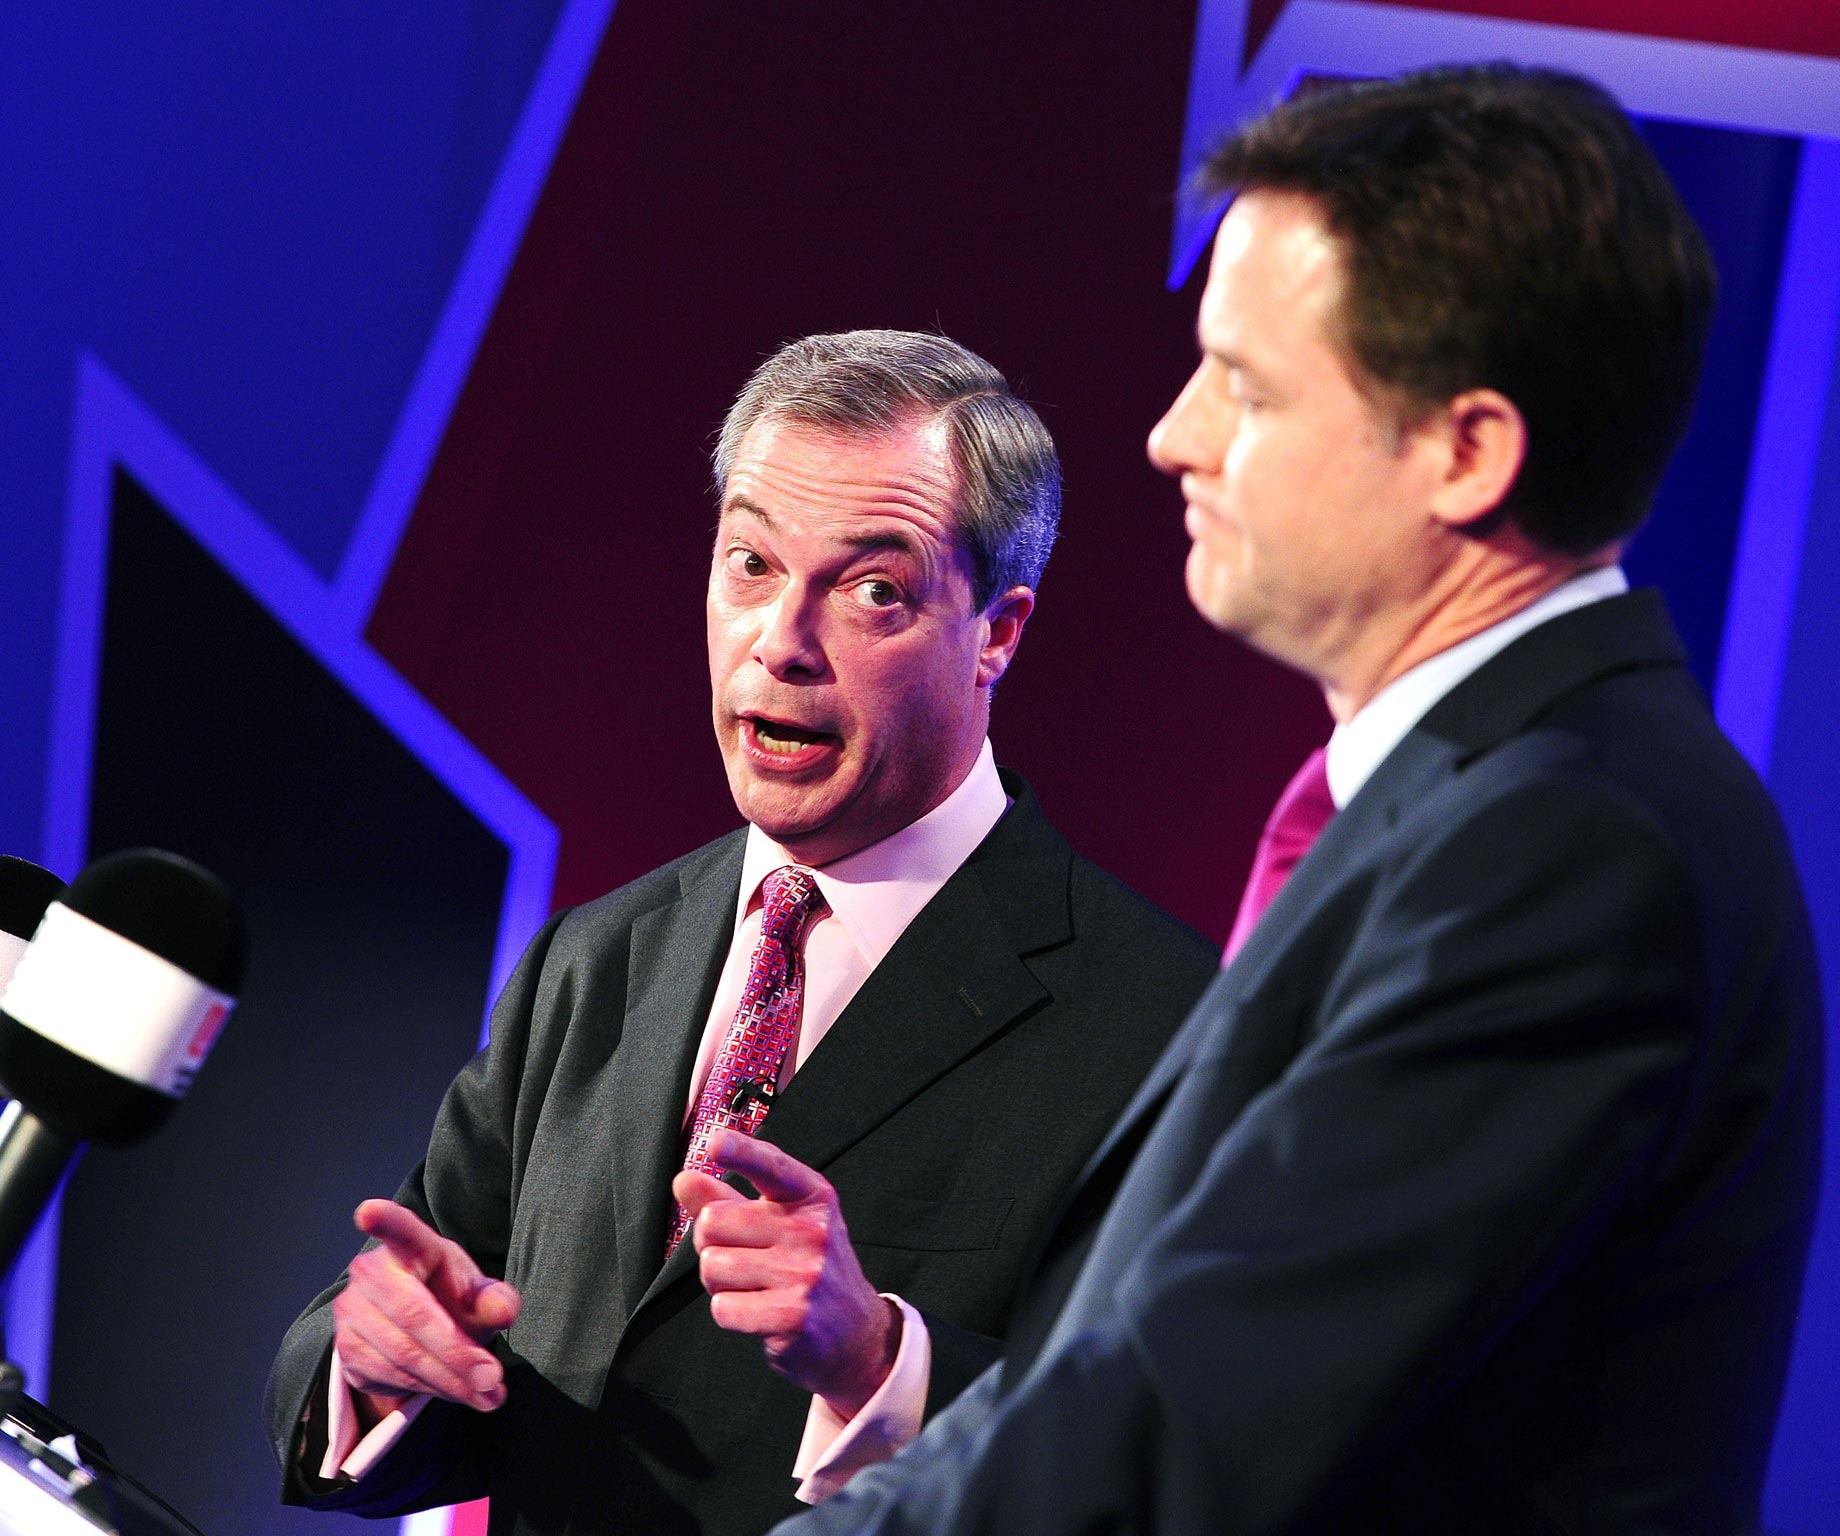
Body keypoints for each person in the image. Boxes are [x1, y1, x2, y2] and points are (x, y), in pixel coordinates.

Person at [767, 65, 1824, 1536]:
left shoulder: (1572, 849)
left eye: (1246, 385)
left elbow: (1180, 1420)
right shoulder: (1485, 807)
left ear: (1466, 452)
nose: (1173, 435)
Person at [263, 330, 1218, 1535]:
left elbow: (1176, 1460)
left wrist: (878, 1360)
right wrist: (381, 1365)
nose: (781, 642)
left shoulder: (1155, 1016)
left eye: (872, 588)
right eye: (751, 564)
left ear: (996, 631)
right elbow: (424, 1323)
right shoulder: (594, 960)